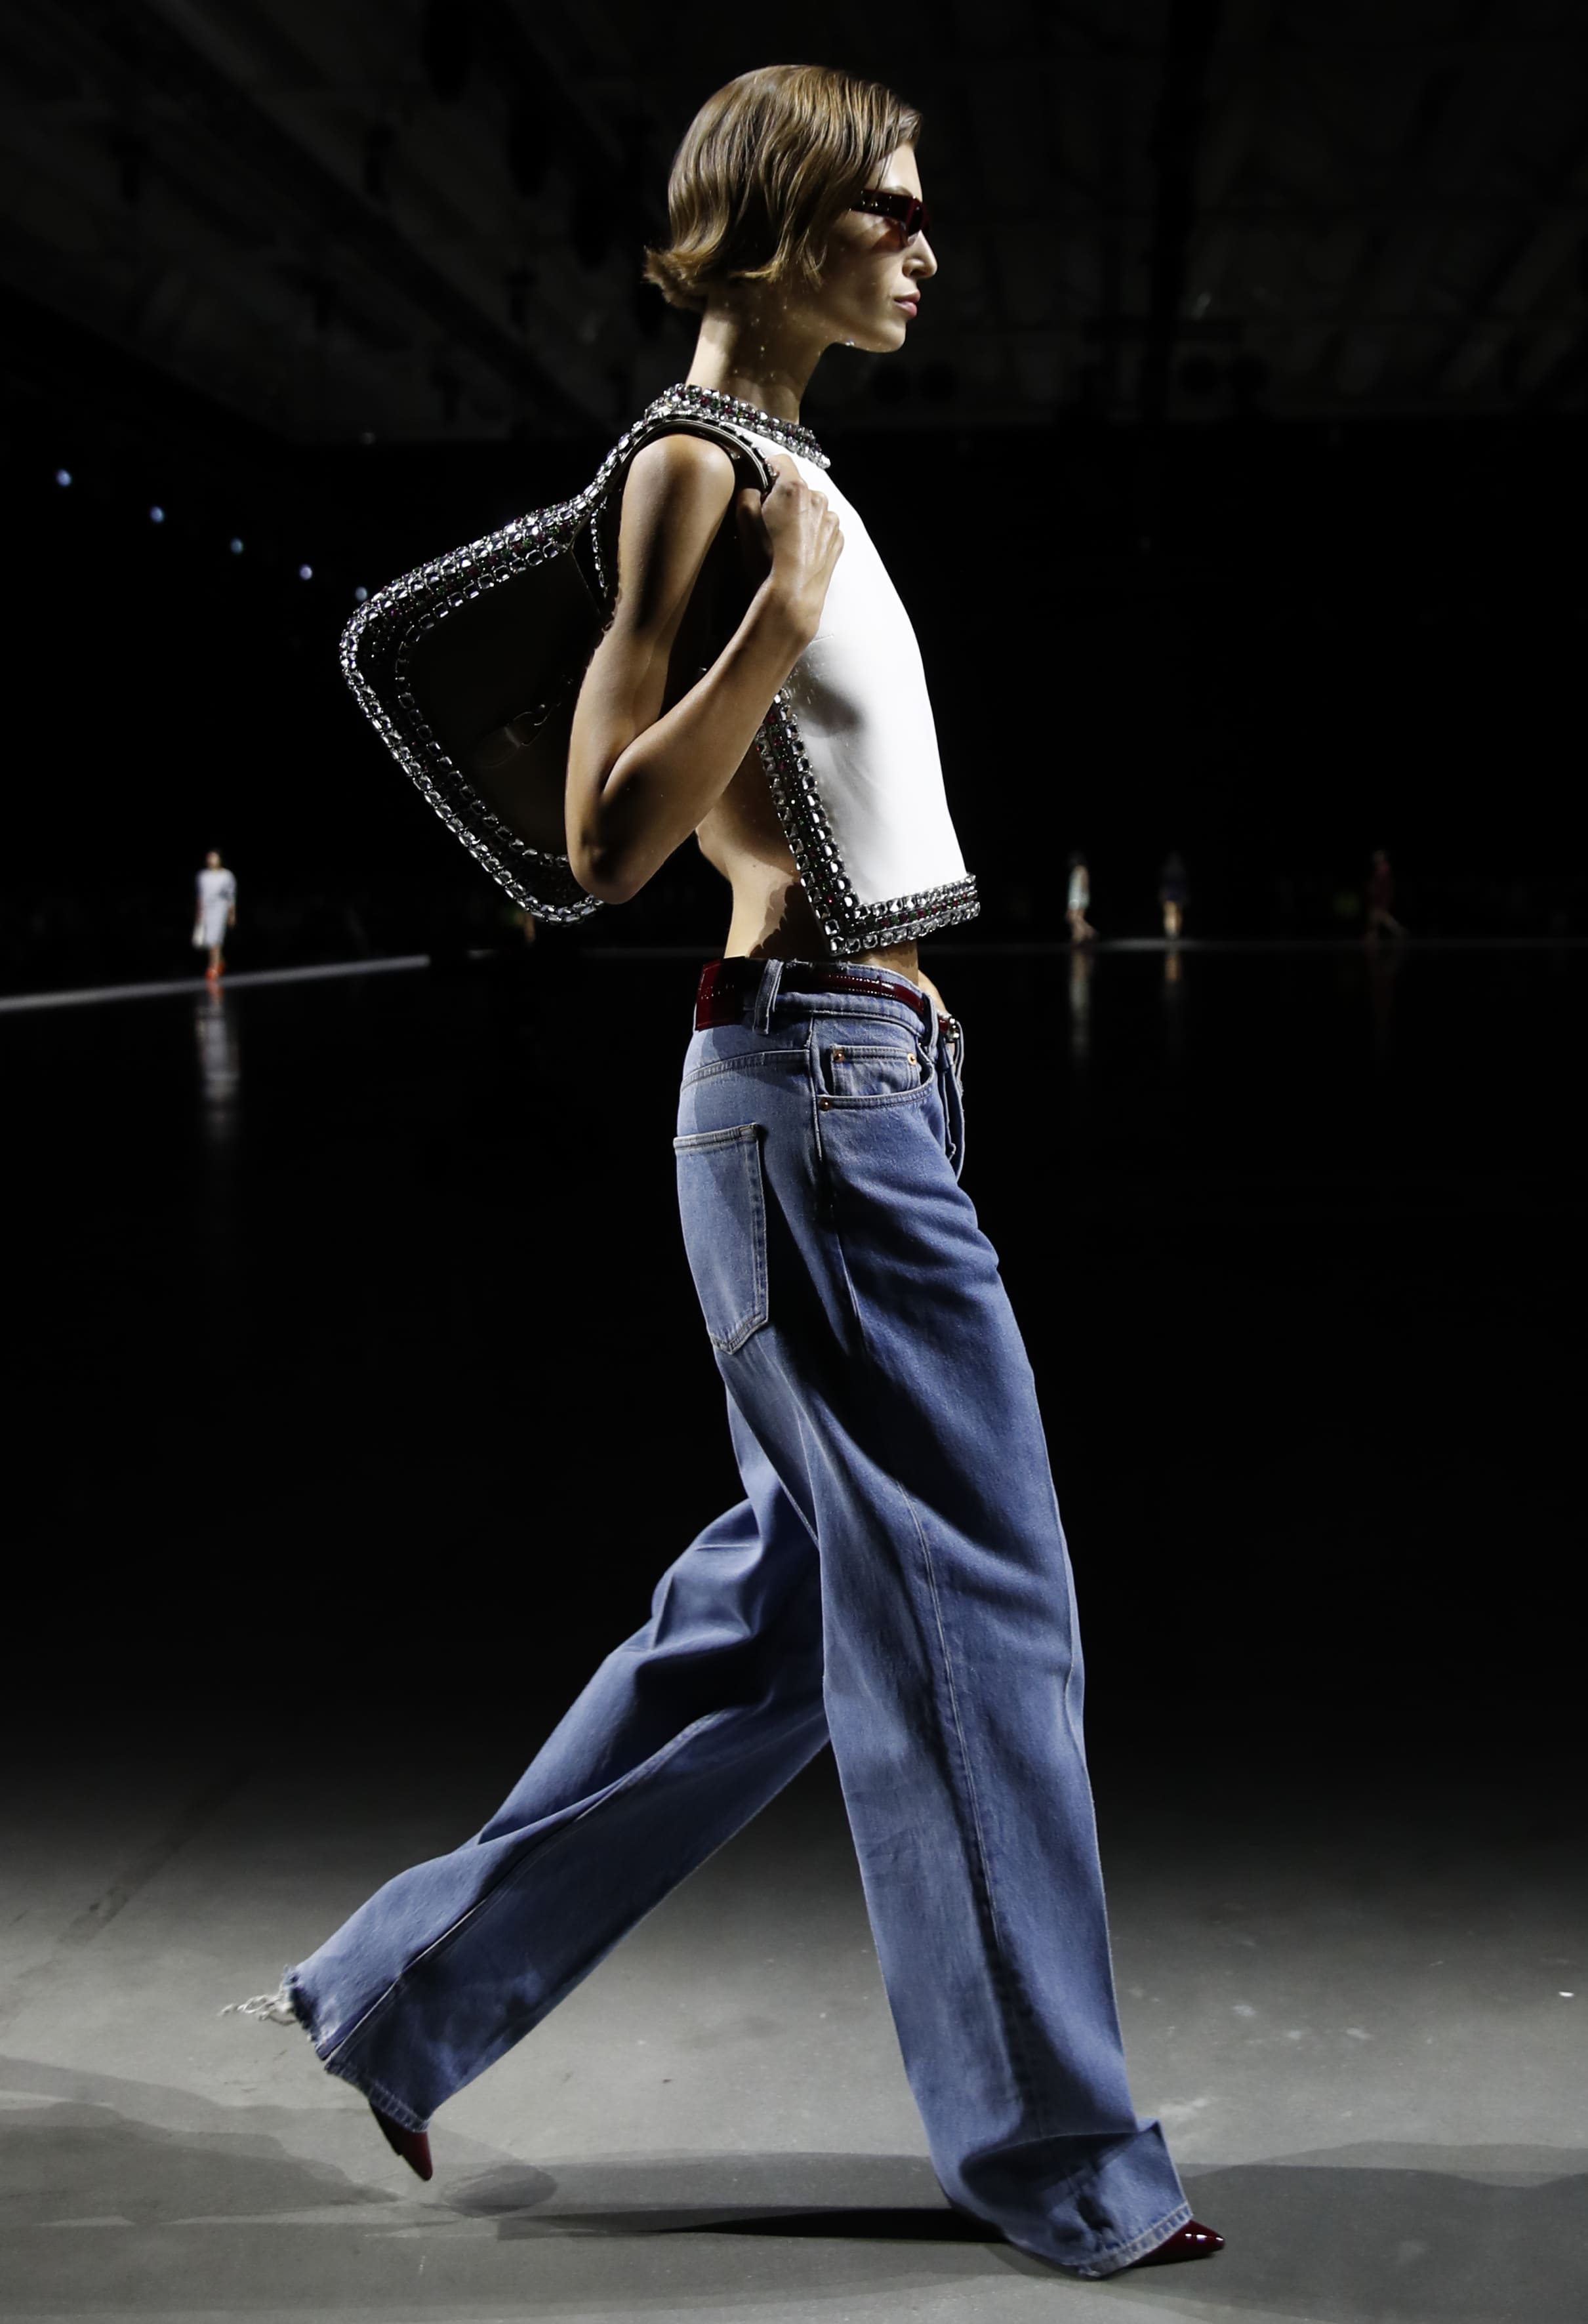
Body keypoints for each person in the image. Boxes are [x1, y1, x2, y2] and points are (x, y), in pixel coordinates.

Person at [232, 66, 1219, 2279]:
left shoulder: (791, 471)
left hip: (863, 1077)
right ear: (777, 225)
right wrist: (771, 627)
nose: (925, 246)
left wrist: (875, 929)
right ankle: (1058, 2152)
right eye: (888, 208)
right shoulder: (689, 470)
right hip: (812, 1100)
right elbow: (597, 844)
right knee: (983, 1604)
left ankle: (400, 1994)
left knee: (788, 1614)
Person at [192, 849, 236, 981]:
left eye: (214, 858)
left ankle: (213, 967)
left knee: (215, 938)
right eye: (210, 858)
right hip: (207, 909)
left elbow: (231, 897)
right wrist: (199, 913)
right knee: (209, 940)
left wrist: (232, 914)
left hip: (220, 908)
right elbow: (200, 896)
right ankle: (219, 962)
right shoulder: (203, 876)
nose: (212, 861)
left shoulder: (227, 875)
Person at [1366, 847, 1405, 940]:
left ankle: (1398, 931)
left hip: (1382, 896)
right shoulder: (1379, 868)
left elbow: (1385, 885)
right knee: (1377, 915)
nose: (1375, 857)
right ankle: (1373, 934)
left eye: (1378, 855)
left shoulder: (1385, 868)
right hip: (1378, 896)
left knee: (1379, 915)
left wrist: (1376, 891)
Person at [1066, 849, 1097, 943]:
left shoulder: (1082, 869)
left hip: (1079, 897)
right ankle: (1079, 936)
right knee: (1074, 918)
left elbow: (1084, 883)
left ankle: (1089, 932)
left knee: (1075, 918)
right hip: (1074, 896)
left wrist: (1083, 896)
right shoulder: (1076, 870)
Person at [1159, 849, 1188, 941]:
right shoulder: (1167, 869)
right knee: (1170, 913)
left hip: (1178, 892)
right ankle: (1171, 932)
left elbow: (1183, 884)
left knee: (1178, 913)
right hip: (1169, 892)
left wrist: (1184, 894)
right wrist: (1163, 893)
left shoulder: (1181, 869)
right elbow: (1164, 883)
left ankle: (1176, 932)